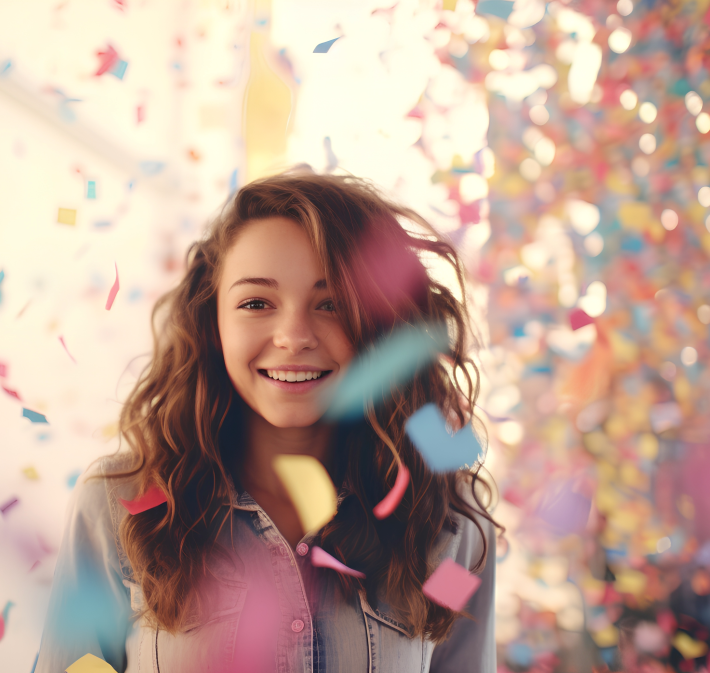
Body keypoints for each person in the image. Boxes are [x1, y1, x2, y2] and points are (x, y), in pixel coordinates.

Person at [36, 171, 499, 673]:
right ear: (212, 322)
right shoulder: (117, 503)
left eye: (334, 304)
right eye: (256, 303)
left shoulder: (450, 523)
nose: (294, 336)